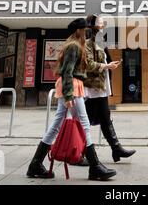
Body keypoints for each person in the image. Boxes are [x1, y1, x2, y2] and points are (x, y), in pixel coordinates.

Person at [26, 18, 117, 180]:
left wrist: (107, 66)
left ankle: (35, 164)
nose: (87, 31)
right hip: (72, 87)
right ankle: (95, 166)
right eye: (84, 29)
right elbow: (67, 71)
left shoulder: (74, 45)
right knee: (84, 123)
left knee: (57, 125)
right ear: (78, 31)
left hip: (73, 86)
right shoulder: (74, 46)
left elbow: (80, 68)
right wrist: (68, 95)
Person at [84, 14, 136, 163]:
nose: (103, 25)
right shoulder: (88, 42)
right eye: (101, 23)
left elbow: (101, 60)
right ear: (94, 25)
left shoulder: (99, 41)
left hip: (100, 86)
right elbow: (88, 64)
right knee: (85, 121)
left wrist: (110, 63)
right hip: (92, 88)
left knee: (105, 118)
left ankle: (116, 149)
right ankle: (81, 152)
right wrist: (107, 66)